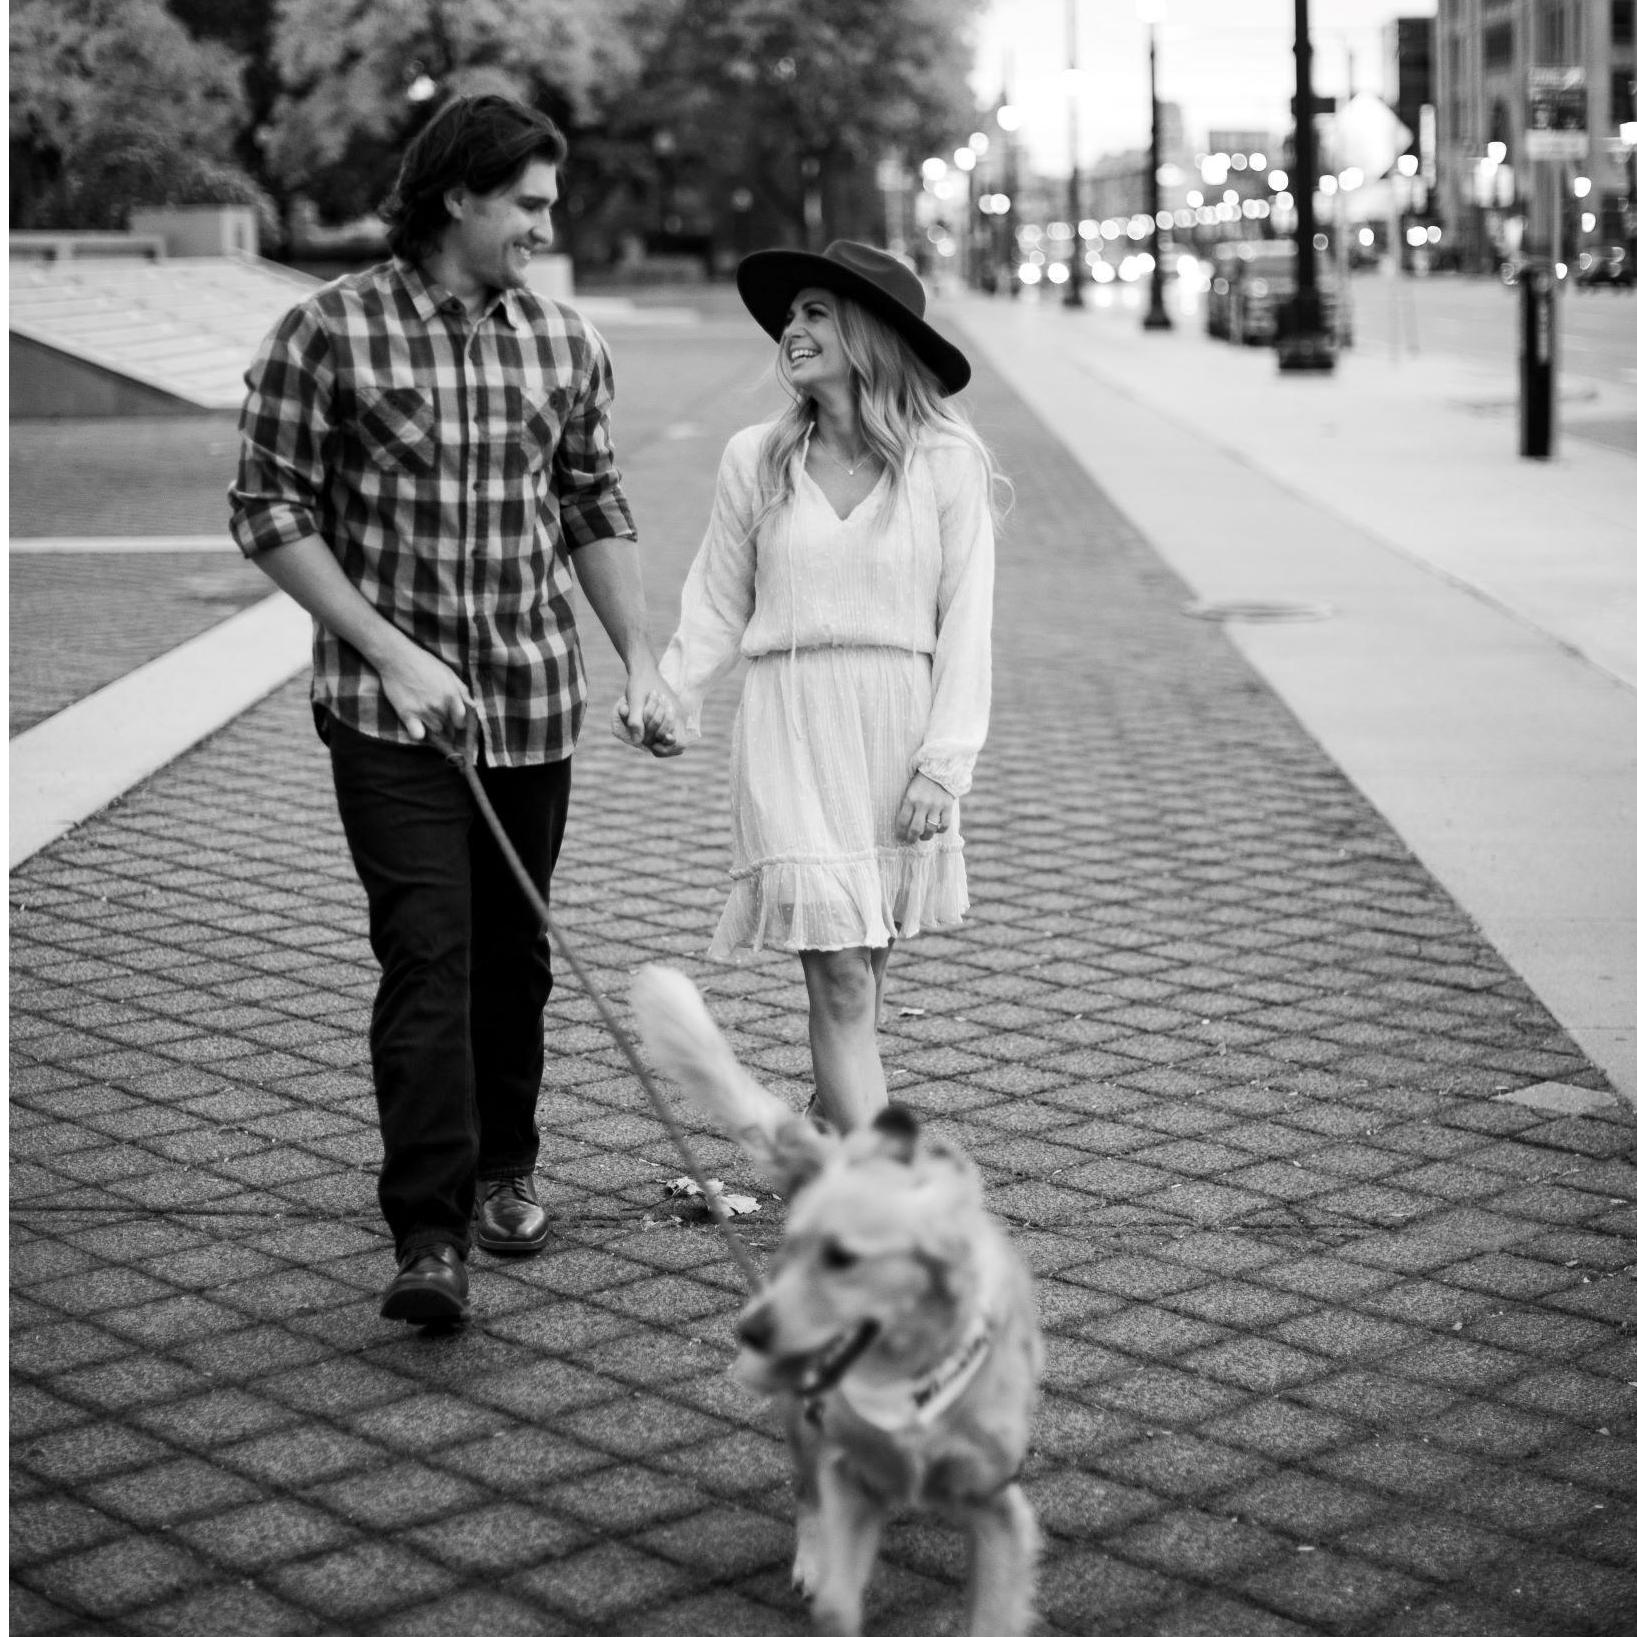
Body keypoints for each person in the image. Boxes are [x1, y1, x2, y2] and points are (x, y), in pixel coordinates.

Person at [230, 93, 679, 1327]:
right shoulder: (325, 332)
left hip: (530, 700)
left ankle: (503, 1168)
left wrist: (638, 659)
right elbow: (268, 510)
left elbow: (590, 503)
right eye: (527, 203)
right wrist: (389, 653)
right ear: (455, 196)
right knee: (427, 950)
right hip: (387, 712)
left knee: (513, 955)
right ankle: (427, 1233)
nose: (546, 225)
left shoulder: (565, 343)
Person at [642, 240, 998, 1134]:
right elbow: (718, 598)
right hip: (790, 723)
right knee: (839, 977)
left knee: (863, 972)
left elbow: (967, 621)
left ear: (869, 333)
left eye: (814, 313)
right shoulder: (755, 457)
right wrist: (671, 693)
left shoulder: (945, 460)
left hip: (896, 728)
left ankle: (836, 1126)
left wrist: (944, 764)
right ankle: (877, 1190)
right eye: (790, 315)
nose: (789, 330)